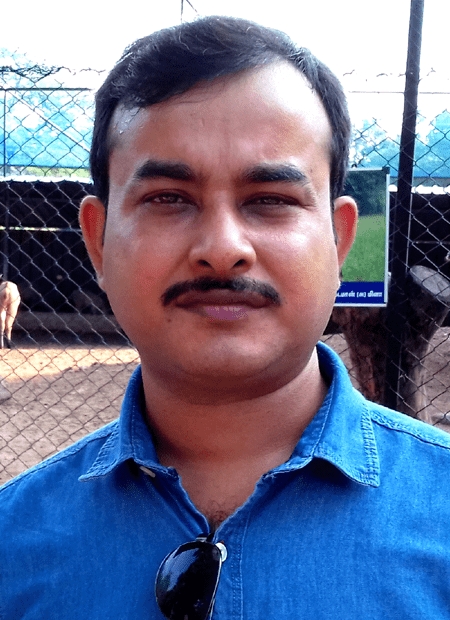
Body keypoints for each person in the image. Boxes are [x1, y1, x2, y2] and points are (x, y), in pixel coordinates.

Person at [1, 16, 450, 619]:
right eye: (168, 198)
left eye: (271, 200)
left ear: (341, 241)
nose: (222, 247)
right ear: (98, 241)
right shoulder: (14, 550)